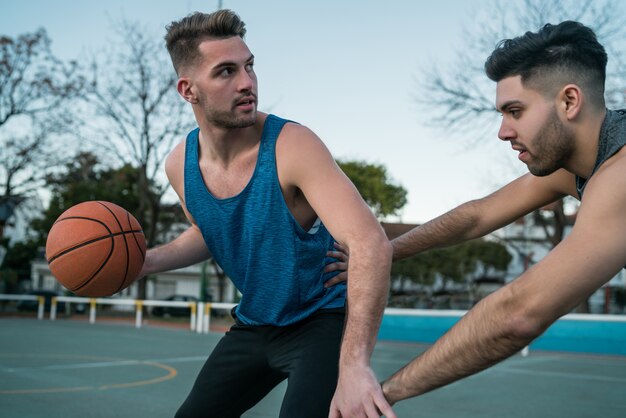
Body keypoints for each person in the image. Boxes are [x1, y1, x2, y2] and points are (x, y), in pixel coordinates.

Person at [137, 9, 395, 418]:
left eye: (249, 66)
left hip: (321, 322)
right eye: (225, 72)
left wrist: (354, 366)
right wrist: (148, 262)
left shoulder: (293, 145)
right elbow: (213, 230)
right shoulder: (178, 166)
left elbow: (369, 242)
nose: (247, 83)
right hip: (255, 323)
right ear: (188, 90)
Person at [380, 20, 626, 407]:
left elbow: (519, 313)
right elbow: (477, 216)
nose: (503, 131)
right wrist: (384, 251)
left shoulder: (619, 175)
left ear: (569, 101)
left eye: (515, 111)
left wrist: (381, 395)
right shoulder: (580, 166)